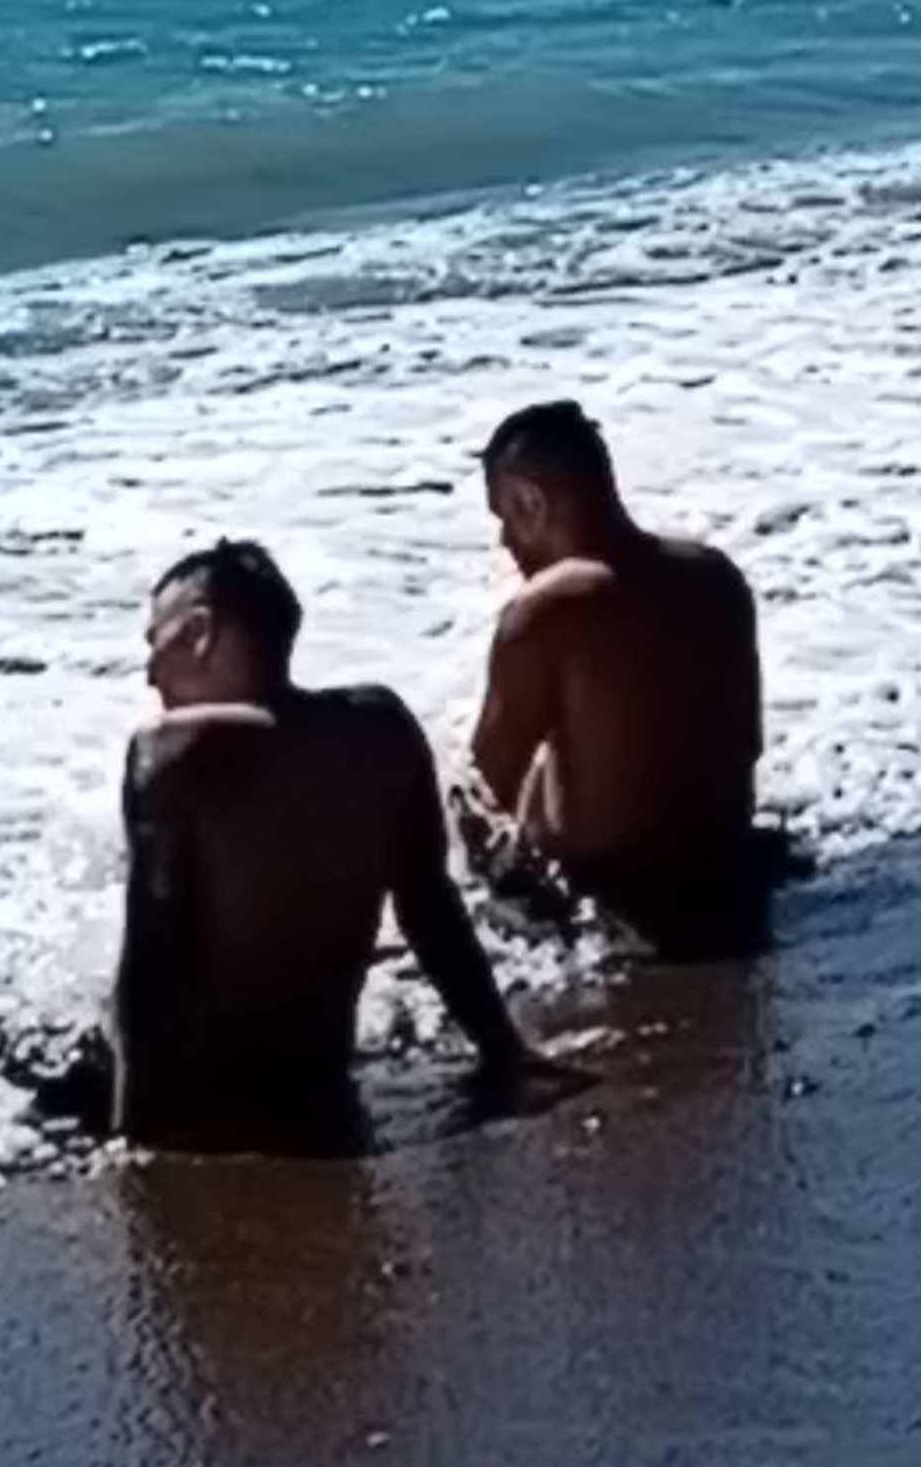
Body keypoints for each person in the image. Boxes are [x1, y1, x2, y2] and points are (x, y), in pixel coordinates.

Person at [110, 539, 542, 1143]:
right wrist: (503, 1049)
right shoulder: (381, 725)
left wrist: (134, 1133)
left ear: (200, 632)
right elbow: (430, 911)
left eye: (155, 642)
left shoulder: (174, 754)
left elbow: (154, 962)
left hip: (207, 1103)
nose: (151, 672)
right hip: (317, 1079)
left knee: (21, 1059)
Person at [461, 399, 775, 951]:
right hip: (726, 870)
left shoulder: (547, 608)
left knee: (463, 800)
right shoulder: (716, 577)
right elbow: (746, 743)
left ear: (531, 501)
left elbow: (490, 779)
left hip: (614, 898)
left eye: (505, 517)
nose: (505, 542)